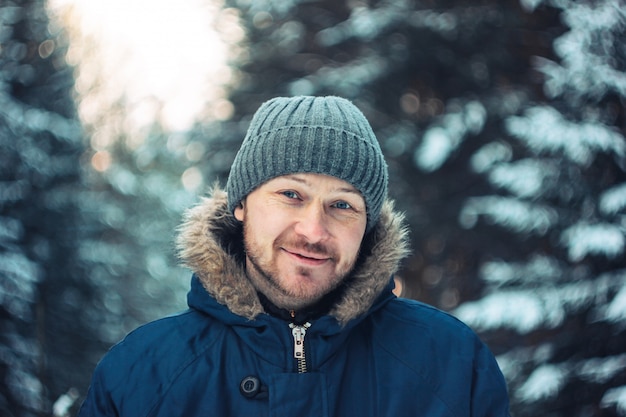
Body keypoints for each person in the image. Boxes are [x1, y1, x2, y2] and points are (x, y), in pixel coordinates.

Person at [77, 96, 511, 416]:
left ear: (369, 226)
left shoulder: (452, 363)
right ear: (242, 204)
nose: (314, 231)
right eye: (291, 194)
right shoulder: (140, 375)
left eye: (342, 205)